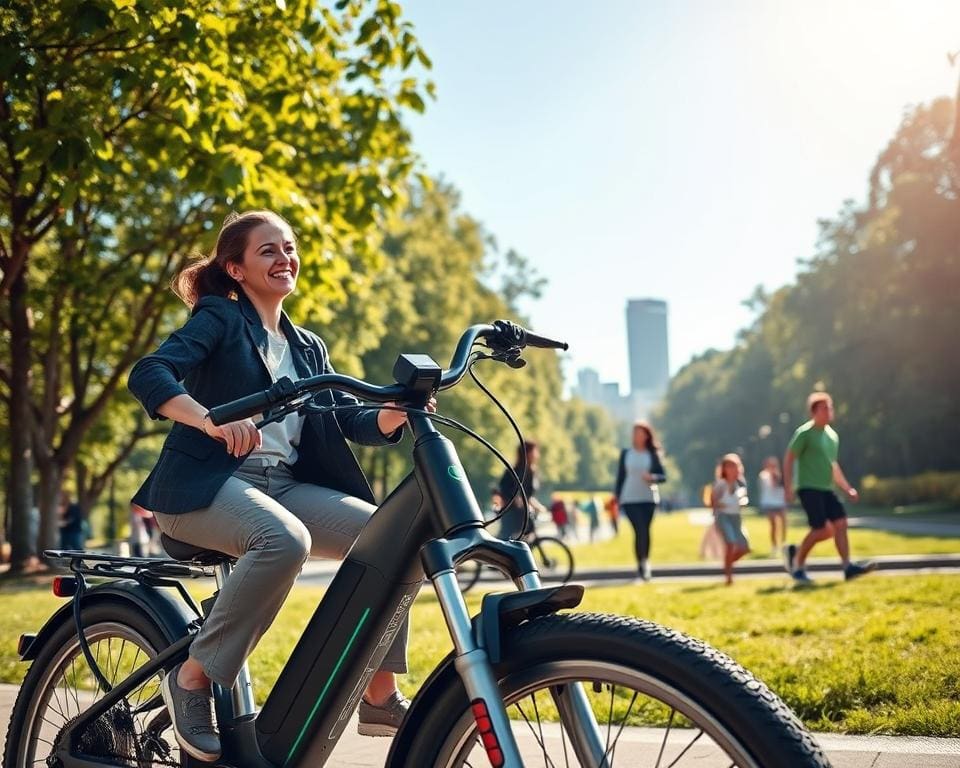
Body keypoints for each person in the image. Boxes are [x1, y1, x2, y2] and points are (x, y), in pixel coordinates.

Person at [127, 210, 434, 762]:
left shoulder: (307, 346)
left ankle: (378, 692)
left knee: (392, 534)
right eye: (267, 250)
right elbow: (150, 372)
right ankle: (193, 677)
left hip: (281, 486)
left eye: (288, 248)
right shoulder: (219, 319)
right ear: (235, 269)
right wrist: (208, 418)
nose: (284, 258)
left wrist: (390, 416)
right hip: (203, 488)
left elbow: (341, 419)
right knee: (284, 540)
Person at [782, 392, 875, 586]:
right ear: (814, 411)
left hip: (826, 488)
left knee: (840, 524)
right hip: (808, 487)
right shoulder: (804, 433)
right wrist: (788, 487)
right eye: (825, 408)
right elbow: (789, 458)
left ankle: (847, 567)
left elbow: (833, 465)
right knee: (822, 529)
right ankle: (797, 565)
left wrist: (847, 488)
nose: (829, 411)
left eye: (830, 407)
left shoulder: (832, 436)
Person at [614, 420, 667, 581]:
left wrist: (652, 477)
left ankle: (645, 562)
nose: (636, 436)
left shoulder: (652, 454)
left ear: (646, 435)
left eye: (640, 433)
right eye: (634, 433)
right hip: (629, 498)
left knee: (646, 530)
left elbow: (663, 476)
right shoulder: (626, 454)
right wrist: (616, 497)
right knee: (639, 530)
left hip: (648, 498)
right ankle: (641, 565)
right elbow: (621, 477)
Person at [711, 454, 751, 585]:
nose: (733, 469)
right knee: (731, 543)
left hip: (736, 517)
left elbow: (743, 498)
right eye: (729, 466)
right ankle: (728, 576)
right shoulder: (721, 484)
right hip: (724, 516)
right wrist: (718, 506)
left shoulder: (740, 483)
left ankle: (727, 564)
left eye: (735, 466)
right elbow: (713, 500)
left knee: (744, 547)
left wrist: (743, 502)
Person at [496, 440, 547, 540]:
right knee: (506, 540)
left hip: (522, 512)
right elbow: (510, 491)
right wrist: (518, 500)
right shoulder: (516, 471)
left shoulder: (531, 471)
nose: (537, 455)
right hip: (512, 512)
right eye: (534, 451)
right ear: (527, 453)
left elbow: (527, 495)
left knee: (527, 536)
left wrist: (538, 506)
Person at [758, 456, 788, 557]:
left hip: (780, 502)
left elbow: (784, 486)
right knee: (773, 525)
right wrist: (772, 475)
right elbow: (770, 485)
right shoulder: (763, 475)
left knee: (784, 523)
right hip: (769, 502)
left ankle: (784, 544)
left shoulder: (781, 475)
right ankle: (774, 546)